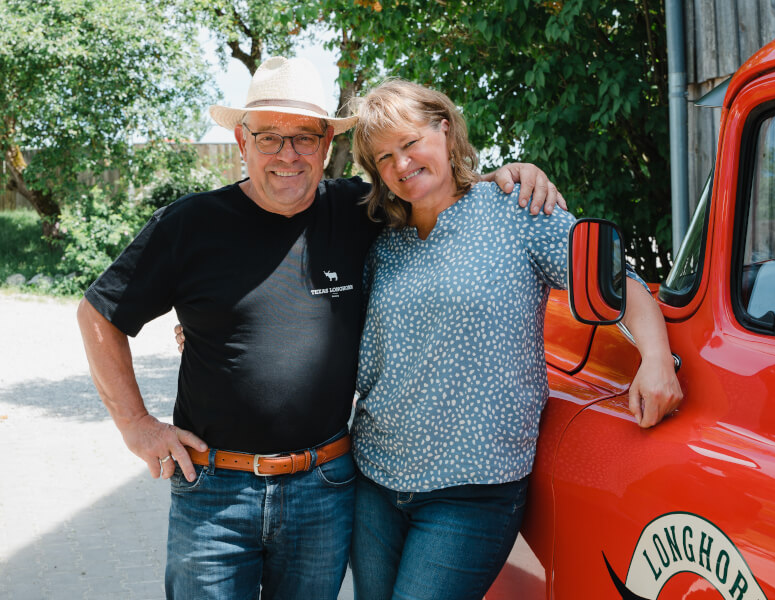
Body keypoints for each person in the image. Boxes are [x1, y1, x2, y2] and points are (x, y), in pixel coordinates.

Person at [76, 55, 564, 600]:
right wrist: (136, 425)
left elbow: (438, 191)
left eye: (304, 137)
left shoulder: (364, 212)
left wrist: (509, 178)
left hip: (324, 489)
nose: (288, 154)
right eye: (269, 137)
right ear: (242, 141)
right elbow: (98, 314)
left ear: (327, 144)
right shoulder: (189, 225)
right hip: (214, 491)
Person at [346, 79, 684, 600]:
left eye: (410, 142)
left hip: (472, 488)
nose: (401, 164)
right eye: (384, 156)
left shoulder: (516, 210)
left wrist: (656, 357)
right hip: (375, 478)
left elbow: (618, 281)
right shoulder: (382, 243)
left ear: (444, 128)